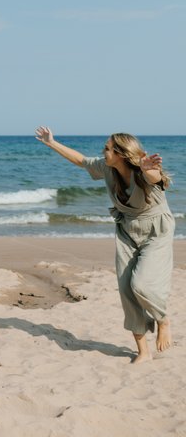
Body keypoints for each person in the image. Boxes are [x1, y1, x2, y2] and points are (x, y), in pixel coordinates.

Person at [35, 127, 174, 363]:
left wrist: (150, 171)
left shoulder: (143, 169)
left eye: (108, 148)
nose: (104, 151)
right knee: (126, 289)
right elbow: (81, 160)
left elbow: (156, 179)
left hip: (155, 231)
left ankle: (163, 319)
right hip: (126, 230)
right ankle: (143, 352)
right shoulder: (107, 168)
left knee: (141, 284)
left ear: (121, 153)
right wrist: (52, 142)